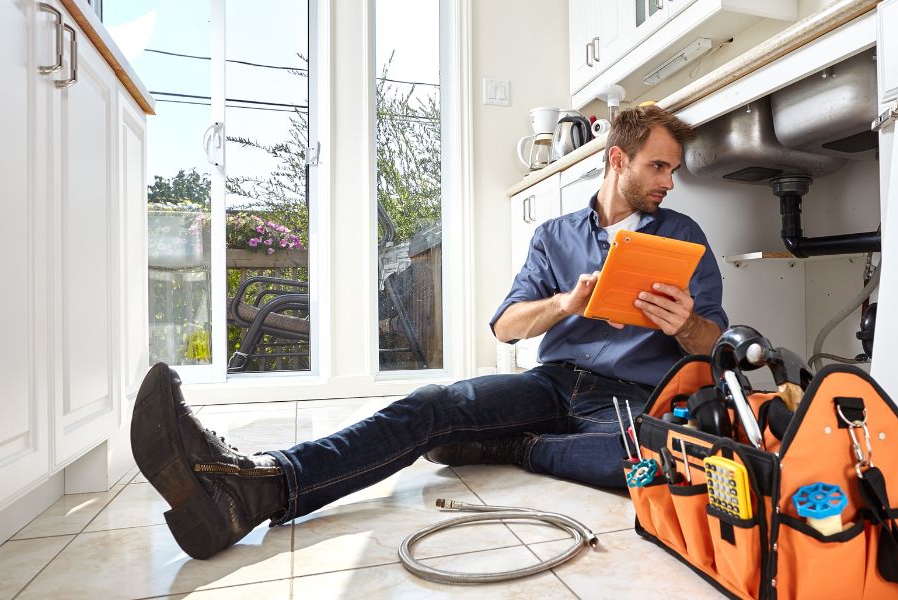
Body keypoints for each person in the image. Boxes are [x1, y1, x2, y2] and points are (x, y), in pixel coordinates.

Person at [130, 105, 729, 559]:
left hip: (631, 398)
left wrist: (688, 326)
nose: (668, 182)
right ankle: (255, 489)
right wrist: (565, 304)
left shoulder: (684, 235)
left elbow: (713, 343)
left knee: (651, 455)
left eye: (673, 170)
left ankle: (507, 446)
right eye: (658, 166)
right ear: (617, 159)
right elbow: (506, 326)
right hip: (552, 383)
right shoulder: (553, 236)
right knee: (430, 406)